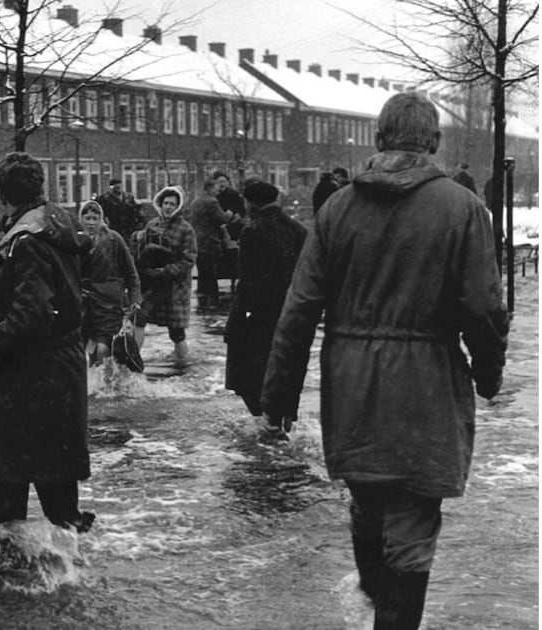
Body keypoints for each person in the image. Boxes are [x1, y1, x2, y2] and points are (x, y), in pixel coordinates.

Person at [262, 92, 508, 629]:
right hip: (427, 388)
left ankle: (376, 585)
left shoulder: (337, 208)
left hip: (351, 385)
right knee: (414, 523)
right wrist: (488, 376)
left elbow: (298, 310)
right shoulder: (462, 208)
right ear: (436, 143)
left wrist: (278, 395)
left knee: (367, 495)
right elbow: (485, 308)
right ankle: (392, 607)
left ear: (377, 141)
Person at [0, 151, 95, 533]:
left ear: (4, 195)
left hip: (29, 379)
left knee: (9, 491)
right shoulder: (58, 224)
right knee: (59, 490)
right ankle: (68, 572)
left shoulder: (27, 241)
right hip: (61, 372)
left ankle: (10, 576)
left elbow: (30, 315)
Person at [223, 178, 306, 419]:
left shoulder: (253, 230)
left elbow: (248, 281)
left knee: (246, 376)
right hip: (289, 312)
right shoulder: (298, 229)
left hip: (258, 316)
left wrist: (240, 319)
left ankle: (265, 422)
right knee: (282, 370)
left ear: (250, 203)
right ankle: (283, 420)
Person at [131, 186, 197, 364]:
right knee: (139, 316)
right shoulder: (152, 224)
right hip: (153, 284)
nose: (168, 207)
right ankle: (133, 357)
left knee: (176, 331)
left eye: (173, 204)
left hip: (175, 286)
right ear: (160, 203)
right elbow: (140, 251)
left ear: (178, 206)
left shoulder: (186, 229)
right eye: (166, 203)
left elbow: (189, 260)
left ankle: (183, 361)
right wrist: (137, 238)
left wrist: (166, 271)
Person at [78, 200, 142, 366]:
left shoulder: (114, 239)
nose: (91, 223)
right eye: (87, 218)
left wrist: (135, 299)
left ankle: (107, 384)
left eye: (95, 218)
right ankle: (92, 385)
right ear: (81, 219)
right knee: (85, 348)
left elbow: (131, 272)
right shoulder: (74, 240)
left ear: (101, 219)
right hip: (83, 303)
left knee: (103, 347)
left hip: (109, 303)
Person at [187, 179, 235, 301]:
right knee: (211, 272)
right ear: (209, 189)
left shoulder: (195, 202)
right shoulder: (212, 202)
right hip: (210, 241)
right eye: (215, 188)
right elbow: (223, 218)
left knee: (202, 271)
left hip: (197, 241)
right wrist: (230, 213)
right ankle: (212, 298)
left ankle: (203, 296)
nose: (218, 190)